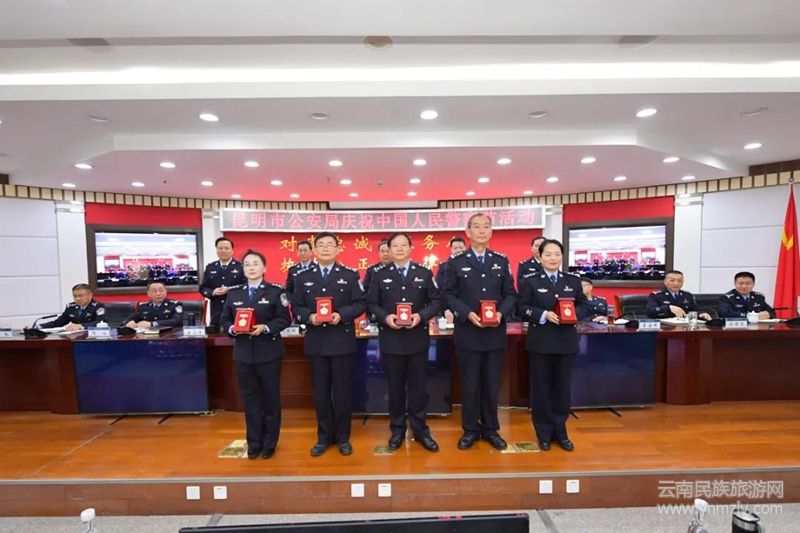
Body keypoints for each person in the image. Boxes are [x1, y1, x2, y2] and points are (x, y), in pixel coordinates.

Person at [443, 213, 517, 451]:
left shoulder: (500, 261)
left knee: (491, 384)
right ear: (468, 232)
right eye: (477, 227)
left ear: (491, 231)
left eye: (486, 227)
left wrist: (500, 314)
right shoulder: (456, 262)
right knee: (470, 384)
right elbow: (449, 295)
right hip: (468, 333)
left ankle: (491, 429)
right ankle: (470, 430)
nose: (482, 231)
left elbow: (511, 294)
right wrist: (467, 314)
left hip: (494, 334)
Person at [292, 231, 366, 457]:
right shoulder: (302, 277)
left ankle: (343, 437)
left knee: (342, 393)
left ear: (337, 249)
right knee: (321, 394)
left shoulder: (349, 275)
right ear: (314, 250)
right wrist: (309, 317)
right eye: (321, 245)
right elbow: (297, 307)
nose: (325, 248)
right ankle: (324, 437)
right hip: (317, 343)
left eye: (330, 245)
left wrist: (341, 315)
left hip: (342, 342)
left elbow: (360, 303)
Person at [367, 232, 441, 452]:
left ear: (411, 248)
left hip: (417, 339)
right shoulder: (379, 275)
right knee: (395, 388)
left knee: (418, 388)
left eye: (403, 245)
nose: (399, 249)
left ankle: (420, 431)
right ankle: (397, 430)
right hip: (391, 340)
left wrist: (421, 316)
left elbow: (436, 302)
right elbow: (371, 304)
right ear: (389, 250)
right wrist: (386, 318)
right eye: (395, 246)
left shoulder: (423, 273)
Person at [220, 249, 291, 460]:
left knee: (270, 400)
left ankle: (269, 443)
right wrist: (232, 329)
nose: (251, 268)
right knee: (250, 401)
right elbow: (224, 320)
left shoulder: (276, 292)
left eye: (255, 264)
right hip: (243, 355)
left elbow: (285, 319)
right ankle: (254, 442)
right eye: (247, 265)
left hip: (268, 354)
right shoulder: (234, 293)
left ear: (264, 268)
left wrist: (266, 328)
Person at [518, 239, 587, 452]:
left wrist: (573, 314)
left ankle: (561, 432)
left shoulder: (572, 280)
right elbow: (521, 307)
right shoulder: (530, 281)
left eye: (557, 254)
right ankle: (543, 433)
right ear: (540, 257)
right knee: (541, 390)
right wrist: (543, 314)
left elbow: (583, 305)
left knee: (562, 390)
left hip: (566, 343)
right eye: (548, 254)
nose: (553, 258)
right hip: (541, 343)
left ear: (562, 256)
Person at [199, 237, 245, 329]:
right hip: (216, 311)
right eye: (220, 248)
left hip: (235, 310)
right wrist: (212, 292)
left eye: (227, 248)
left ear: (232, 250)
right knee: (216, 336)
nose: (223, 251)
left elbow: (246, 286)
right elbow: (203, 288)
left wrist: (229, 289)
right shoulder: (210, 267)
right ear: (216, 250)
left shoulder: (241, 267)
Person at [646, 270, 711, 320]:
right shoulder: (656, 295)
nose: (676, 283)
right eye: (672, 280)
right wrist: (669, 308)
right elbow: (650, 312)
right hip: (665, 328)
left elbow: (696, 309)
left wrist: (702, 314)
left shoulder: (687, 295)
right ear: (665, 282)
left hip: (684, 328)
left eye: (680, 281)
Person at [39, 283, 106, 330]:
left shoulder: (98, 306)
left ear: (90, 295)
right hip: (74, 338)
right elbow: (59, 322)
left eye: (81, 296)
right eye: (75, 296)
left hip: (91, 337)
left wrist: (81, 326)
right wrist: (39, 327)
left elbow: (101, 322)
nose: (77, 298)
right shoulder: (71, 307)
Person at [435, 236, 467, 324]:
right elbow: (440, 290)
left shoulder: (473, 266)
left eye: (461, 248)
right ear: (451, 250)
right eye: (455, 248)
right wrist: (445, 309)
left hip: (469, 311)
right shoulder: (444, 267)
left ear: (465, 248)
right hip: (449, 311)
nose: (458, 250)